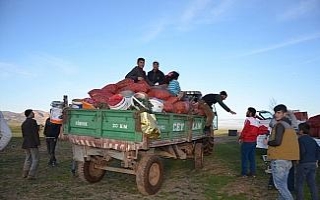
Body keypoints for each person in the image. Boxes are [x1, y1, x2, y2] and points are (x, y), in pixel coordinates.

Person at [267, 104, 300, 200]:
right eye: (275, 113)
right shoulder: (290, 127)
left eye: (279, 112)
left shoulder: (280, 125)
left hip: (279, 159)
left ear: (284, 113)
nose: (276, 115)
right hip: (288, 160)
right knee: (283, 186)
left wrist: (268, 142)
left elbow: (277, 142)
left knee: (280, 186)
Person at [239, 107, 268, 177]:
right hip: (253, 141)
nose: (246, 113)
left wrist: (241, 137)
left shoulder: (248, 120)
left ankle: (244, 173)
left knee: (245, 157)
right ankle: (253, 173)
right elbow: (260, 131)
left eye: (247, 111)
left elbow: (245, 130)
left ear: (250, 113)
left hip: (247, 141)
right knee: (252, 158)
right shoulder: (257, 122)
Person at [296, 122, 319, 200]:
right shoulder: (313, 140)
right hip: (313, 163)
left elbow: (302, 151)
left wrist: (298, 160)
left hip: (303, 163)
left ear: (301, 131)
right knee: (312, 183)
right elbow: (318, 151)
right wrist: (316, 161)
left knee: (300, 183)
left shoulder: (300, 139)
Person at [21, 109, 40, 180]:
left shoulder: (24, 123)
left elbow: (24, 134)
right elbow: (35, 133)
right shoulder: (33, 122)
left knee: (28, 158)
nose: (34, 114)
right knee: (35, 159)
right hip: (32, 143)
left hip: (25, 143)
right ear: (30, 114)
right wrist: (37, 142)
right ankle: (31, 175)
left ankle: (24, 173)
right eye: (32, 113)